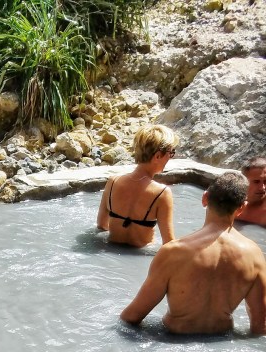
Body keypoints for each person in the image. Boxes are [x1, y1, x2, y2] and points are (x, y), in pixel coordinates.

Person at [120, 171, 266, 336]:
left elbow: (132, 316)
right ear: (241, 208)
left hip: (172, 341)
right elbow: (260, 327)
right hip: (221, 342)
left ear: (205, 198)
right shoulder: (255, 256)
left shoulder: (173, 252)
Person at [97, 124, 177, 248]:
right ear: (158, 156)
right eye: (171, 153)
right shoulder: (162, 193)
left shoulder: (113, 182)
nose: (171, 157)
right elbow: (169, 244)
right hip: (141, 256)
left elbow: (102, 226)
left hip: (110, 251)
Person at [235, 157, 266, 227]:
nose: (263, 188)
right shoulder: (230, 203)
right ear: (243, 181)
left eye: (265, 181)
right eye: (256, 182)